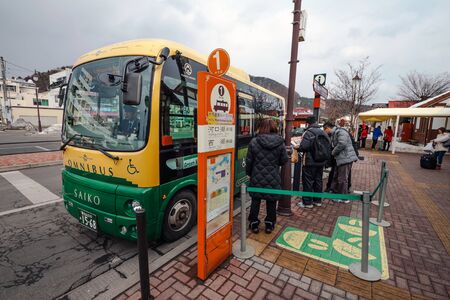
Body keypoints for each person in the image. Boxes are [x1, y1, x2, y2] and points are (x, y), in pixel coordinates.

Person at [245, 119, 288, 234]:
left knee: (255, 200)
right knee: (271, 201)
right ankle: (269, 225)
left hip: (257, 176)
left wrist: (249, 174)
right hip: (273, 177)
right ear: (274, 128)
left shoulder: (254, 142)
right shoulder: (280, 142)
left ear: (262, 127)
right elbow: (284, 160)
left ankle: (254, 224)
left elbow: (249, 161)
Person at [297, 116, 331, 209]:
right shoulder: (323, 132)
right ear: (315, 122)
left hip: (310, 161)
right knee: (318, 181)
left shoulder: (308, 133)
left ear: (308, 123)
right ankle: (317, 201)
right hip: (321, 161)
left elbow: (303, 147)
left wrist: (297, 147)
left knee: (308, 181)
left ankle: (307, 203)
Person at [324, 122, 358, 203]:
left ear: (328, 128)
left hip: (345, 158)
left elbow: (342, 144)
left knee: (342, 179)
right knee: (337, 176)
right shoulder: (336, 132)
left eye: (325, 130)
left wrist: (333, 152)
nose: (325, 132)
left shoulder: (340, 132)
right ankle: (337, 194)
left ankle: (343, 198)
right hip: (341, 158)